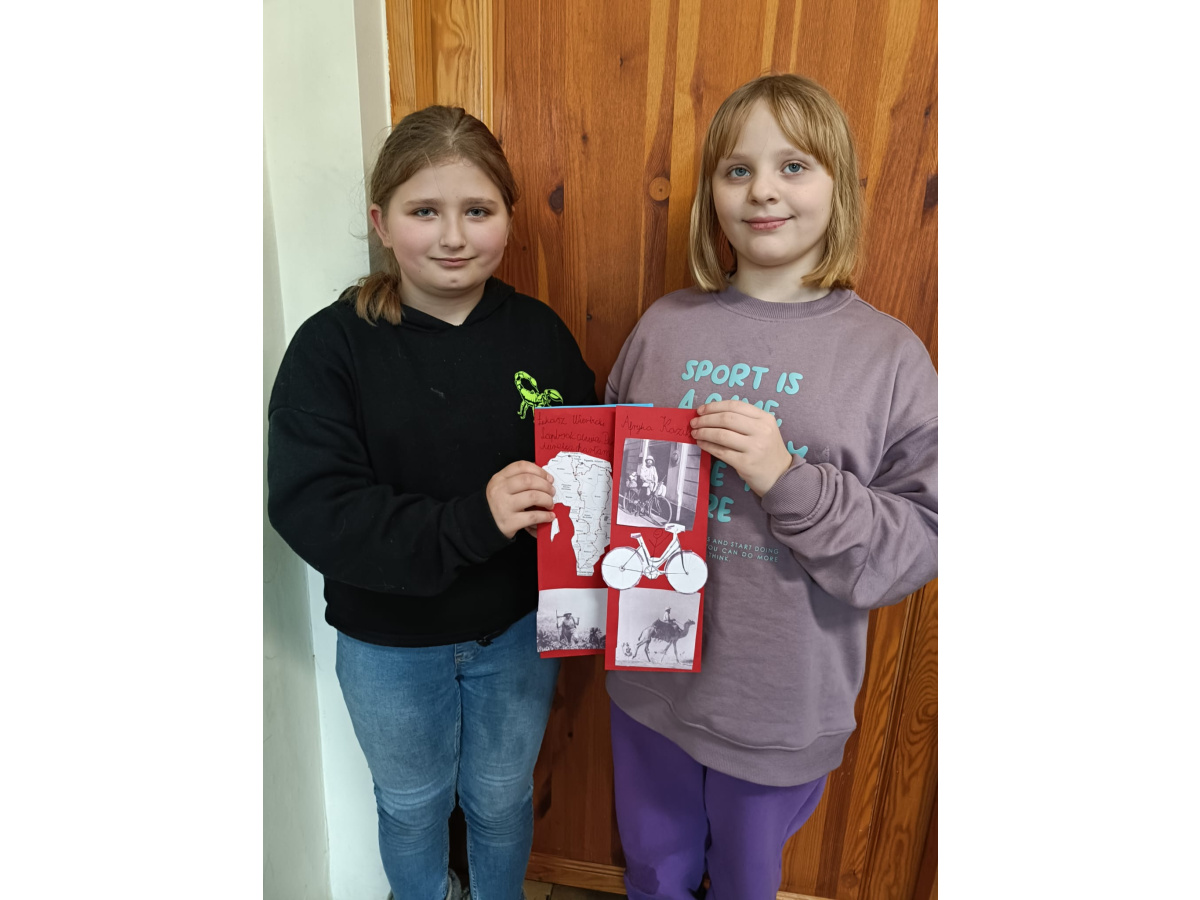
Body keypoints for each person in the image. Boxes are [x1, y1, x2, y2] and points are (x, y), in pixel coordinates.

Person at [603, 74, 937, 900]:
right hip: (647, 683)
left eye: (794, 166)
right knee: (652, 871)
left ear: (838, 185)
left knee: (746, 882)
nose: (762, 191)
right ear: (712, 194)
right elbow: (608, 478)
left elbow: (920, 541)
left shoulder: (889, 357)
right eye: (737, 169)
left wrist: (788, 480)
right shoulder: (664, 326)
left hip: (778, 704)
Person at [267, 105, 596, 900]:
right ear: (382, 222)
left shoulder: (541, 335)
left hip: (517, 634)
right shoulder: (331, 346)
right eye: (425, 212)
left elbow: (589, 469)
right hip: (388, 644)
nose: (453, 236)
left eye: (477, 211)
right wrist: (474, 519)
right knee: (412, 806)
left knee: (501, 800)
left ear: (508, 218)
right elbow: (314, 507)